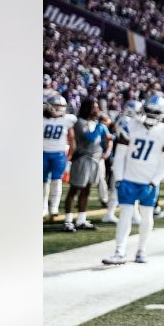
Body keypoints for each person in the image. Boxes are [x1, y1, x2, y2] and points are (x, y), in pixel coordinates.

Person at [102, 94, 164, 265]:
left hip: (148, 180)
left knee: (146, 216)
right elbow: (120, 155)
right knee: (125, 216)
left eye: (155, 111)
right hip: (129, 177)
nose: (151, 114)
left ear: (163, 113)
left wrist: (154, 181)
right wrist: (119, 178)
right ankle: (119, 251)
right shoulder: (130, 125)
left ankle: (141, 250)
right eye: (149, 110)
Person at [62, 97, 113, 231]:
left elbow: (105, 139)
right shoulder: (80, 122)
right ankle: (68, 220)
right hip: (82, 158)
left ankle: (81, 220)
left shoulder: (95, 123)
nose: (97, 110)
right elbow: (90, 138)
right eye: (94, 107)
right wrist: (101, 126)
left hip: (94, 159)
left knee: (86, 190)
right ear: (87, 109)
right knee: (74, 189)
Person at [42, 92, 76, 221]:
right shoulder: (42, 118)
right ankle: (43, 207)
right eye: (56, 106)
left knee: (57, 181)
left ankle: (54, 208)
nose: (59, 109)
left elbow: (71, 137)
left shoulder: (68, 119)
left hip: (59, 153)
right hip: (43, 152)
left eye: (61, 106)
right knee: (43, 182)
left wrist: (72, 152)